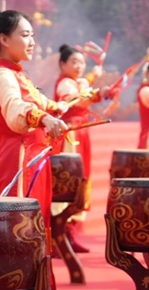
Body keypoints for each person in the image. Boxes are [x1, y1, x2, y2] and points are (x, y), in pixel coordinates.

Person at [0, 8, 68, 290]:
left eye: (33, 35)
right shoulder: (3, 75)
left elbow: (44, 103)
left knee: (32, 227)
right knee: (18, 230)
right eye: (25, 35)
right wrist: (43, 117)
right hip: (18, 162)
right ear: (4, 39)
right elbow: (15, 110)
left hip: (32, 160)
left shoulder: (18, 74)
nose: (32, 41)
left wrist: (60, 107)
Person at [53, 44, 112, 253]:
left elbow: (86, 85)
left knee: (82, 179)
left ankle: (70, 232)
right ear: (63, 64)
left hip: (81, 133)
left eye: (81, 62)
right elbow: (75, 99)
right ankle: (61, 233)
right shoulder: (65, 85)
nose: (79, 66)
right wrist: (97, 94)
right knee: (71, 180)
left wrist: (99, 89)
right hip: (70, 135)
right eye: (74, 62)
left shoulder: (77, 82)